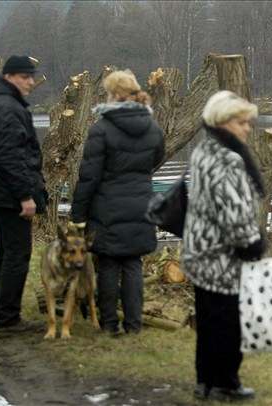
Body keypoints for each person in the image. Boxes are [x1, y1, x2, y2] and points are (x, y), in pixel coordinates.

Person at [182, 91, 266, 401]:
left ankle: (204, 380)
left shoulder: (203, 150)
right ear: (225, 122)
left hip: (199, 249)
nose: (247, 129)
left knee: (207, 320)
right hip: (223, 256)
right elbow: (236, 212)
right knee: (229, 323)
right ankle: (227, 382)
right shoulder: (230, 159)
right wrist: (252, 244)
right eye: (242, 122)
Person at [70, 70, 164, 336]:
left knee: (109, 265)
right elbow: (156, 159)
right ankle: (134, 325)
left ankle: (109, 323)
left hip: (107, 206)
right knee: (133, 264)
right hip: (141, 203)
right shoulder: (152, 127)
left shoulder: (101, 129)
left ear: (113, 95)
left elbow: (89, 176)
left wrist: (78, 215)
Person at [0, 55, 48, 337]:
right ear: (10, 77)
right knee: (17, 254)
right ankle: (7, 319)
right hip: (9, 194)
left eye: (32, 76)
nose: (31, 82)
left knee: (2, 253)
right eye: (26, 76)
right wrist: (25, 196)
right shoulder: (6, 107)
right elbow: (10, 156)